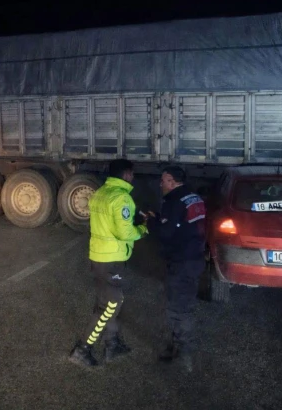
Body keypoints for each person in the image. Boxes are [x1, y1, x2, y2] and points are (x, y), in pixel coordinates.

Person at [68, 159, 149, 368]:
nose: (132, 177)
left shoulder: (101, 193)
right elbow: (125, 232)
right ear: (126, 174)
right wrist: (143, 229)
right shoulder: (122, 198)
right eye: (131, 174)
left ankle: (112, 344)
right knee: (112, 304)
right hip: (111, 259)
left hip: (99, 256)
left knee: (107, 301)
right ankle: (83, 349)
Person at [148, 165, 206, 372]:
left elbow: (165, 232)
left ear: (172, 181)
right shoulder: (194, 197)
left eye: (164, 180)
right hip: (196, 259)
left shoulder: (173, 201)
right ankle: (181, 346)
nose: (161, 183)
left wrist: (150, 221)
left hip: (181, 262)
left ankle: (181, 351)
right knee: (186, 303)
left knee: (177, 308)